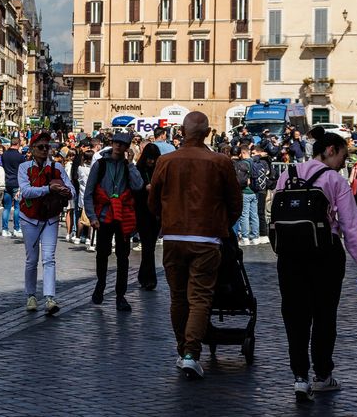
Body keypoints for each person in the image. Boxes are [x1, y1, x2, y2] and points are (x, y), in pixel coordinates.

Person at [272, 132, 357, 400]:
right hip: (324, 255)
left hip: (289, 255)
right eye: (342, 155)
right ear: (330, 150)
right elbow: (351, 226)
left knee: (294, 315)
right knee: (324, 315)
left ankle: (299, 377)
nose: (343, 162)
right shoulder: (334, 180)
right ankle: (322, 374)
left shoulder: (288, 174)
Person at [148, 111, 242, 380]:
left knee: (178, 297)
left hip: (174, 237)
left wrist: (166, 218)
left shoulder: (166, 161)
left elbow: (153, 201)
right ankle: (191, 353)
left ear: (182, 131)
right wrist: (220, 224)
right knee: (199, 298)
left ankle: (183, 351)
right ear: (209, 132)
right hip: (207, 238)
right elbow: (234, 203)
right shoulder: (220, 161)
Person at [84, 132, 142, 312]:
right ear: (112, 144)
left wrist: (131, 164)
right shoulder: (100, 165)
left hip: (122, 216)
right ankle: (100, 285)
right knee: (102, 254)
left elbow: (138, 186)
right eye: (116, 143)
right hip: (104, 217)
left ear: (126, 148)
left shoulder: (127, 166)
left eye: (122, 144)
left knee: (123, 258)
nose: (118, 146)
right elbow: (89, 193)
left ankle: (120, 295)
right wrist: (92, 217)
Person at [17, 133, 73, 316]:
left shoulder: (57, 167)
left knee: (49, 258)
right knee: (31, 260)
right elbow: (25, 191)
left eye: (46, 147)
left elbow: (71, 188)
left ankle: (49, 297)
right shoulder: (24, 167)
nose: (44, 150)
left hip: (50, 218)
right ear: (32, 149)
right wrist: (48, 189)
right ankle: (31, 295)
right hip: (29, 218)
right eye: (40, 147)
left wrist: (64, 191)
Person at [132, 144, 162, 290]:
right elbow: (135, 189)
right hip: (142, 211)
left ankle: (144, 276)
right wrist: (145, 187)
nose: (151, 162)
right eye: (149, 159)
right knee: (148, 245)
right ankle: (149, 278)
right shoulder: (139, 170)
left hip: (155, 213)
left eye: (153, 159)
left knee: (149, 246)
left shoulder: (159, 171)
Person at [0, 138, 26, 238]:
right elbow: (23, 172)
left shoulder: (4, 155)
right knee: (17, 207)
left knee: (6, 207)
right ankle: (16, 228)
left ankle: (4, 229)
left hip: (6, 182)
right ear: (18, 144)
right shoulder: (20, 157)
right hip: (16, 183)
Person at [234, 145, 259, 246]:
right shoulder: (255, 162)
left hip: (246, 191)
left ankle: (245, 237)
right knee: (254, 215)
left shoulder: (243, 163)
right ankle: (255, 236)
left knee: (244, 215)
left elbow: (240, 180)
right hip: (255, 191)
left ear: (243, 153)